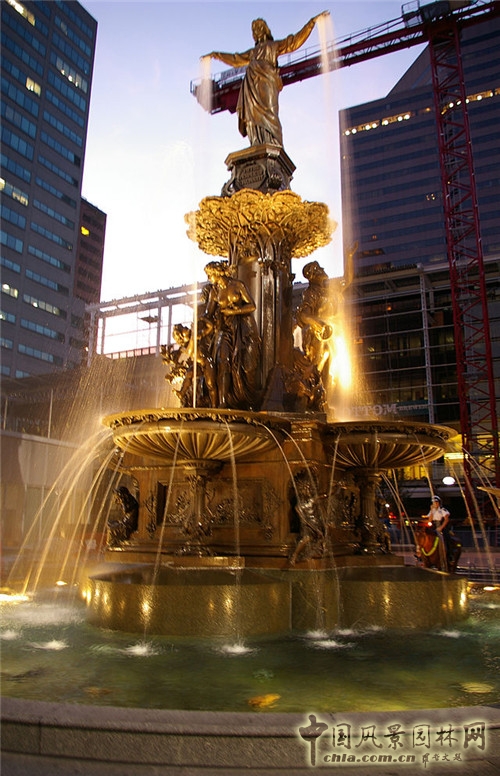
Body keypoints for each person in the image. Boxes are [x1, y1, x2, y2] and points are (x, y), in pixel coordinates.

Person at [204, 13, 329, 147]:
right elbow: (236, 59)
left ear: (265, 30)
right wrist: (217, 55)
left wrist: (311, 23)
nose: (256, 31)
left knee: (270, 112)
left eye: (259, 28)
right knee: (251, 114)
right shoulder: (252, 52)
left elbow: (293, 42)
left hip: (268, 80)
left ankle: (273, 143)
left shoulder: (274, 45)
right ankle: (256, 142)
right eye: (253, 30)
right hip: (251, 83)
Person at [203, 261, 262, 409]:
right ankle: (223, 402)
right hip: (225, 329)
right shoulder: (214, 291)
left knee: (248, 367)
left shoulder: (237, 285)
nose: (209, 278)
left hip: (244, 328)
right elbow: (208, 313)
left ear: (217, 273)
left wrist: (235, 311)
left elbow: (252, 306)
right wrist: (200, 322)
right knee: (223, 362)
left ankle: (247, 399)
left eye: (210, 275)